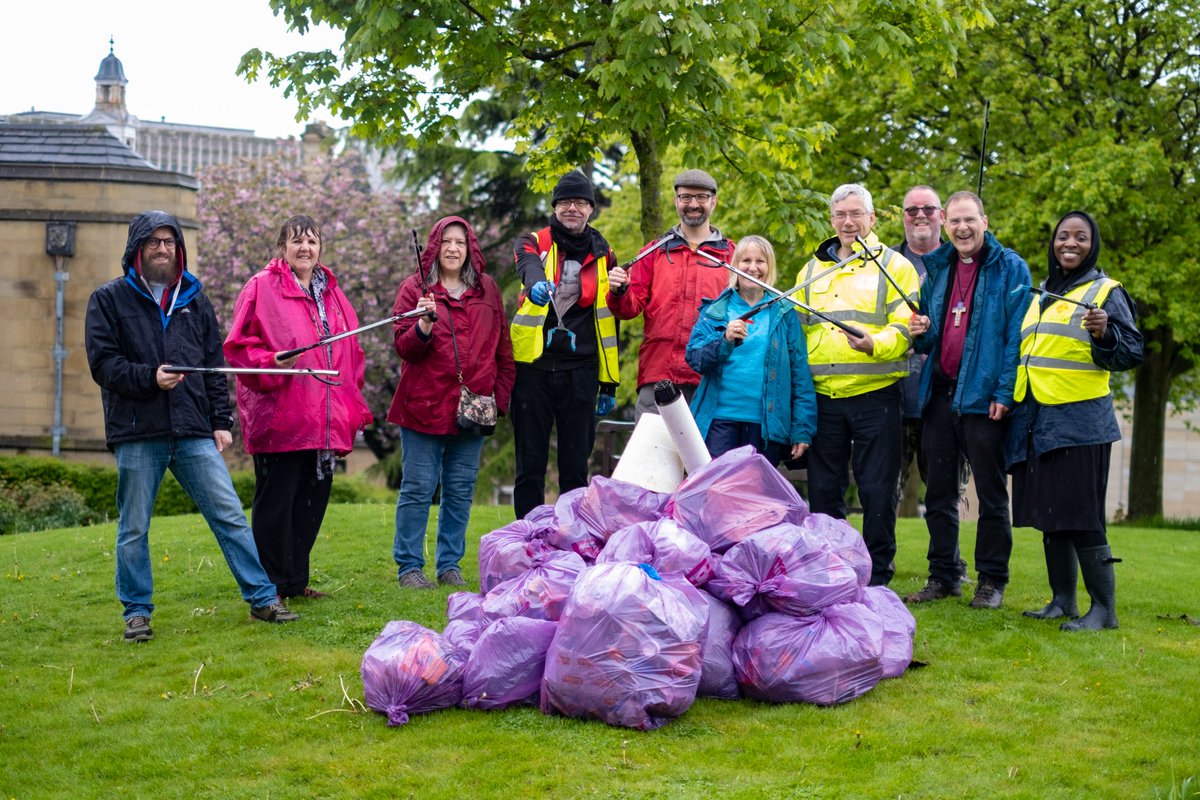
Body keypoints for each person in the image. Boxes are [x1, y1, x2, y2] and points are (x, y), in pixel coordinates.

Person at [85, 211, 298, 642]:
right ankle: (137, 613)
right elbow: (103, 364)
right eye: (153, 242)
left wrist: (221, 421)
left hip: (193, 429)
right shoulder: (108, 299)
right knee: (134, 528)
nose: (162, 249)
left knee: (229, 516)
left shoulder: (194, 298)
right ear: (136, 248)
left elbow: (212, 366)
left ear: (179, 248)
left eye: (169, 242)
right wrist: (151, 378)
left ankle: (262, 598)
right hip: (137, 430)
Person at [223, 215, 373, 600]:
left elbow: (351, 353)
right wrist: (271, 361)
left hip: (324, 419)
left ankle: (294, 581)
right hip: (282, 419)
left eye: (311, 241)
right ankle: (269, 587)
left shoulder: (333, 293)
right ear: (281, 248)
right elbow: (239, 348)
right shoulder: (260, 287)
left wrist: (353, 406)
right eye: (296, 241)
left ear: (320, 247)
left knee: (311, 503)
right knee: (277, 506)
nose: (304, 248)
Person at [1009, 210, 1142, 630]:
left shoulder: (1105, 292)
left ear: (1092, 244)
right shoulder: (1042, 292)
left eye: (1080, 237)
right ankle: (1062, 599)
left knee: (1083, 516)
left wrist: (1105, 334)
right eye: (1063, 236)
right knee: (1052, 514)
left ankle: (1104, 609)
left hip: (1082, 423)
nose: (1070, 243)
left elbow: (1131, 353)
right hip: (1039, 420)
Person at [905, 192, 1031, 609]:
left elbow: (1018, 337)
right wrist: (919, 330)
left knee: (991, 494)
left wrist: (1005, 392)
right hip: (940, 395)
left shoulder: (1010, 268)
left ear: (984, 220)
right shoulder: (937, 269)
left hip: (984, 397)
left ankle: (992, 580)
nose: (962, 228)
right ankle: (944, 574)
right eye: (955, 221)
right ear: (946, 223)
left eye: (969, 220)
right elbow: (926, 336)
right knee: (938, 492)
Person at [793, 184, 919, 586]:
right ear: (831, 220)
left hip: (876, 397)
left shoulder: (896, 266)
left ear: (872, 218)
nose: (848, 223)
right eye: (840, 215)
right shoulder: (811, 269)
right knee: (825, 491)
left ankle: (877, 575)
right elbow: (796, 334)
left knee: (878, 491)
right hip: (823, 399)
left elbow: (906, 328)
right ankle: (830, 570)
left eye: (856, 214)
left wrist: (874, 345)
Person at [388, 216, 515, 589]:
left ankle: (449, 565)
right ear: (434, 247)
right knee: (418, 488)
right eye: (446, 242)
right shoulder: (415, 290)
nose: (453, 249)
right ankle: (410, 566)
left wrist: (498, 399)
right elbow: (403, 347)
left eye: (460, 242)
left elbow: (502, 350)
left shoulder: (487, 290)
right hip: (423, 406)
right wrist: (423, 326)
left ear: (470, 248)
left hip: (473, 408)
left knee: (460, 490)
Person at [509, 171, 620, 519]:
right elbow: (525, 263)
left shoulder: (605, 253)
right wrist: (537, 283)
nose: (573, 208)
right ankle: (526, 537)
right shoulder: (534, 241)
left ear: (590, 209)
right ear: (555, 207)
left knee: (575, 468)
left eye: (581, 202)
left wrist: (608, 383)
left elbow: (609, 317)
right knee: (530, 466)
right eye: (565, 202)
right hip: (534, 369)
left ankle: (572, 541)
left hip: (580, 371)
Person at [607, 169, 734, 418]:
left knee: (708, 458)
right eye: (686, 197)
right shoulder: (654, 252)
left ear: (714, 201)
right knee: (653, 455)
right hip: (658, 375)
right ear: (676, 201)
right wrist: (620, 290)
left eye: (701, 197)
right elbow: (628, 309)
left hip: (712, 379)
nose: (693, 204)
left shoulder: (732, 256)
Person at [685, 235, 816, 464]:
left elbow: (800, 374)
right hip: (719, 423)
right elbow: (695, 358)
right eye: (746, 261)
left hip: (766, 427)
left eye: (760, 261)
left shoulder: (784, 312)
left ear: (770, 267)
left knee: (756, 497)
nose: (753, 268)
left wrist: (801, 429)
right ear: (735, 266)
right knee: (719, 494)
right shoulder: (716, 309)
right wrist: (724, 340)